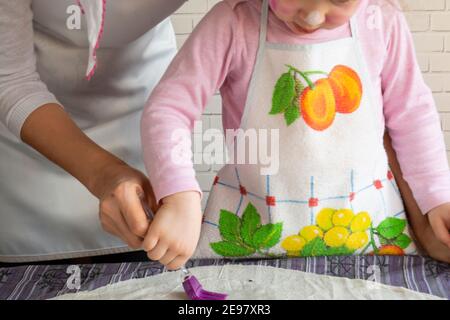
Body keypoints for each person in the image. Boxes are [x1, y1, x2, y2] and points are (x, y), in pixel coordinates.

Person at [141, 0, 450, 270]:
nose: (314, 16)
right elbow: (169, 109)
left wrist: (437, 199)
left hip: (369, 240)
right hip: (252, 243)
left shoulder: (381, 21)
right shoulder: (233, 22)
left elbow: (413, 117)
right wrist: (179, 195)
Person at [0, 0, 187, 263]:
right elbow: (11, 80)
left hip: (142, 130)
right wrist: (105, 174)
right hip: (30, 151)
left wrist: (181, 189)